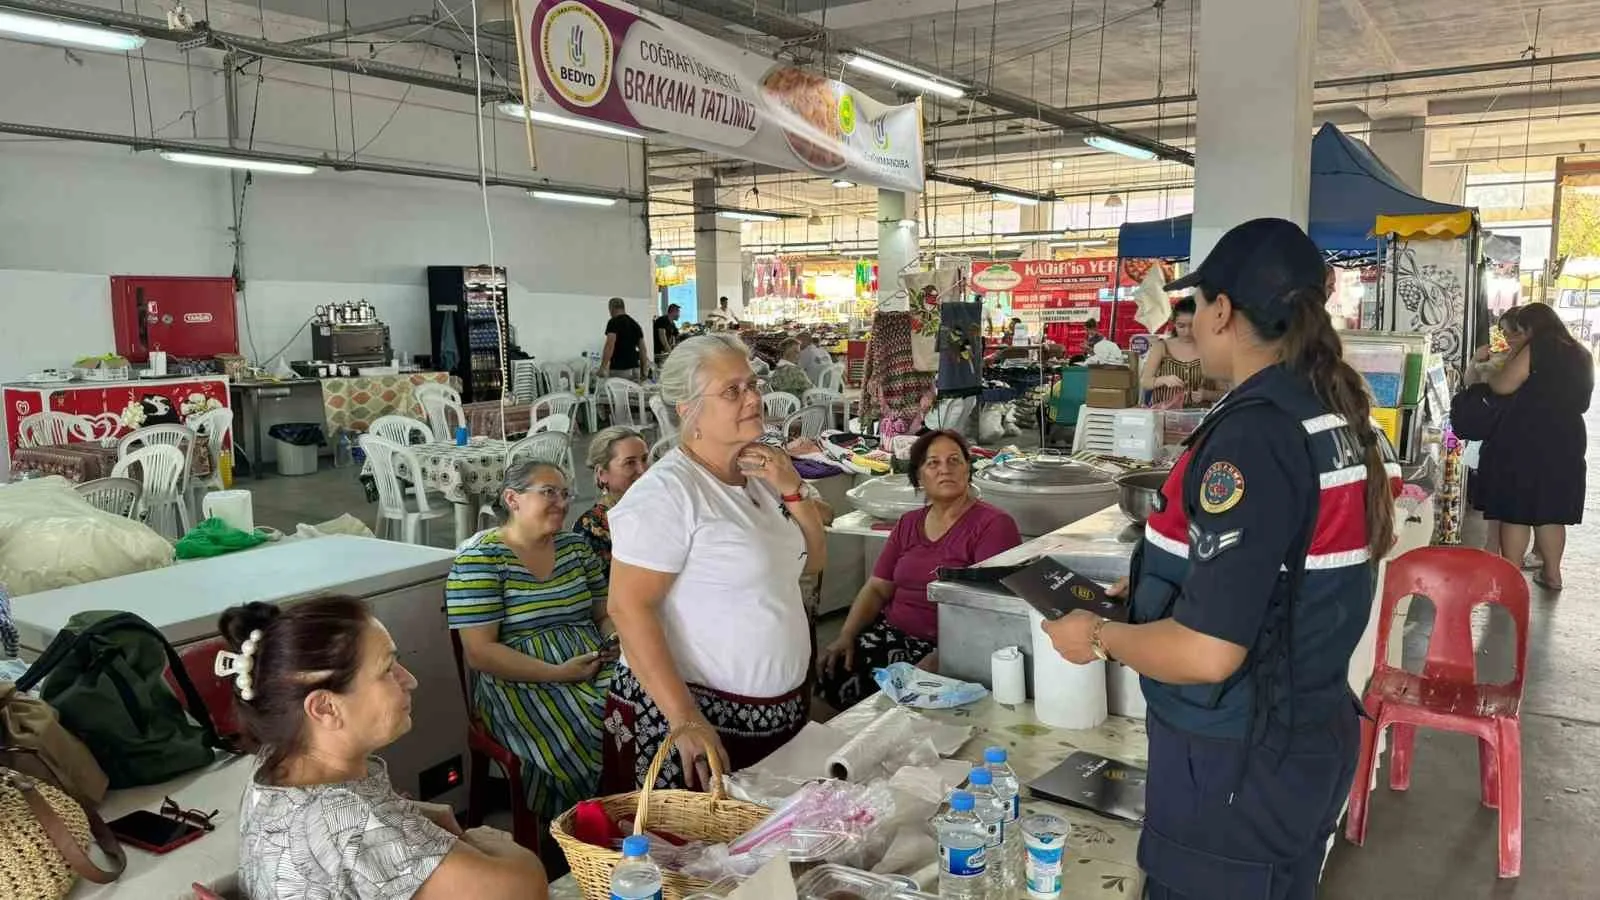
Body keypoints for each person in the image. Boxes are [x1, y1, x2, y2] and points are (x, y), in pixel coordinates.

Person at [1041, 218, 1401, 900]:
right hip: (1298, 741)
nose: (1193, 323)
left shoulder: (1255, 437)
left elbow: (1209, 653)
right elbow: (1281, 577)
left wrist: (1095, 636)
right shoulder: (1326, 412)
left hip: (1240, 766)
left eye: (1196, 306)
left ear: (1224, 310)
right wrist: (1150, 593)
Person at [602, 334, 829, 792]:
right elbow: (628, 609)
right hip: (696, 723)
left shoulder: (760, 476)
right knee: (691, 857)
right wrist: (685, 720)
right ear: (689, 411)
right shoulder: (667, 493)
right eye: (732, 391)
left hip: (776, 714)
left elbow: (813, 562)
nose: (753, 398)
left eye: (752, 384)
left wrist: (792, 487)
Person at [226, 596, 547, 900]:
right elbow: (525, 886)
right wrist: (490, 842)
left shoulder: (275, 759)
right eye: (387, 670)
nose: (409, 680)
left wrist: (414, 813)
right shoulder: (357, 827)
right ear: (325, 707)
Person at [447, 461, 613, 822]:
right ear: (512, 499)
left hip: (591, 664)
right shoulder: (481, 560)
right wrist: (557, 673)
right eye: (548, 492)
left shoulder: (574, 548)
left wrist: (616, 642)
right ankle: (585, 824)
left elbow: (603, 614)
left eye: (565, 494)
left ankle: (631, 811)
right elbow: (480, 652)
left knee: (643, 701)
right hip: (520, 684)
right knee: (594, 722)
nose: (561, 502)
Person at [815, 430, 1021, 712]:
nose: (945, 469)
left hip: (953, 643)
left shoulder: (993, 525)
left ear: (967, 469)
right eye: (933, 463)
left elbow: (991, 609)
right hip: (894, 632)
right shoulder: (909, 523)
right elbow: (877, 588)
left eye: (954, 460)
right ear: (918, 477)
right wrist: (846, 634)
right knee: (835, 668)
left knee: (903, 704)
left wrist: (944, 656)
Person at [1477, 300, 1592, 590]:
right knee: (1551, 508)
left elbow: (1504, 385)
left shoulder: (1537, 348)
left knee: (1518, 509)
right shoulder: (1582, 353)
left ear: (1532, 327)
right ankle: (1552, 573)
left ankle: (1512, 578)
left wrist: (1488, 374)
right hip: (1568, 436)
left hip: (1527, 435)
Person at [1465, 308, 1529, 557]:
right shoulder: (1501, 357)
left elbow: (1495, 385)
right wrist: (1475, 361)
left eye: (1511, 332)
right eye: (1503, 331)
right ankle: (1493, 550)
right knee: (1497, 499)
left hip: (1515, 439)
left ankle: (1506, 561)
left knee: (1511, 504)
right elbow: (1471, 381)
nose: (1507, 337)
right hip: (1496, 437)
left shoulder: (1527, 363)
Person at [574, 426, 650, 565]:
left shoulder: (661, 505)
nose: (643, 470)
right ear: (602, 473)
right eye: (630, 463)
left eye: (645, 459)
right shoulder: (591, 528)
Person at [1140, 297, 1216, 408]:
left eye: (1193, 325)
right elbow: (1144, 382)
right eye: (1181, 326)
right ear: (1174, 324)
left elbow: (1224, 392)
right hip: (1164, 416)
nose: (1187, 332)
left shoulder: (1211, 350)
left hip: (1198, 418)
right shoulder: (1161, 347)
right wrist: (1162, 380)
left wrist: (1207, 394)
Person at [601, 298, 649, 380]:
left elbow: (609, 346)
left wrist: (602, 367)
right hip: (635, 368)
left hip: (619, 369)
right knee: (633, 392)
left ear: (611, 308)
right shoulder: (634, 324)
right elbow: (643, 349)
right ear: (623, 307)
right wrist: (644, 370)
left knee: (617, 392)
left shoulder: (613, 322)